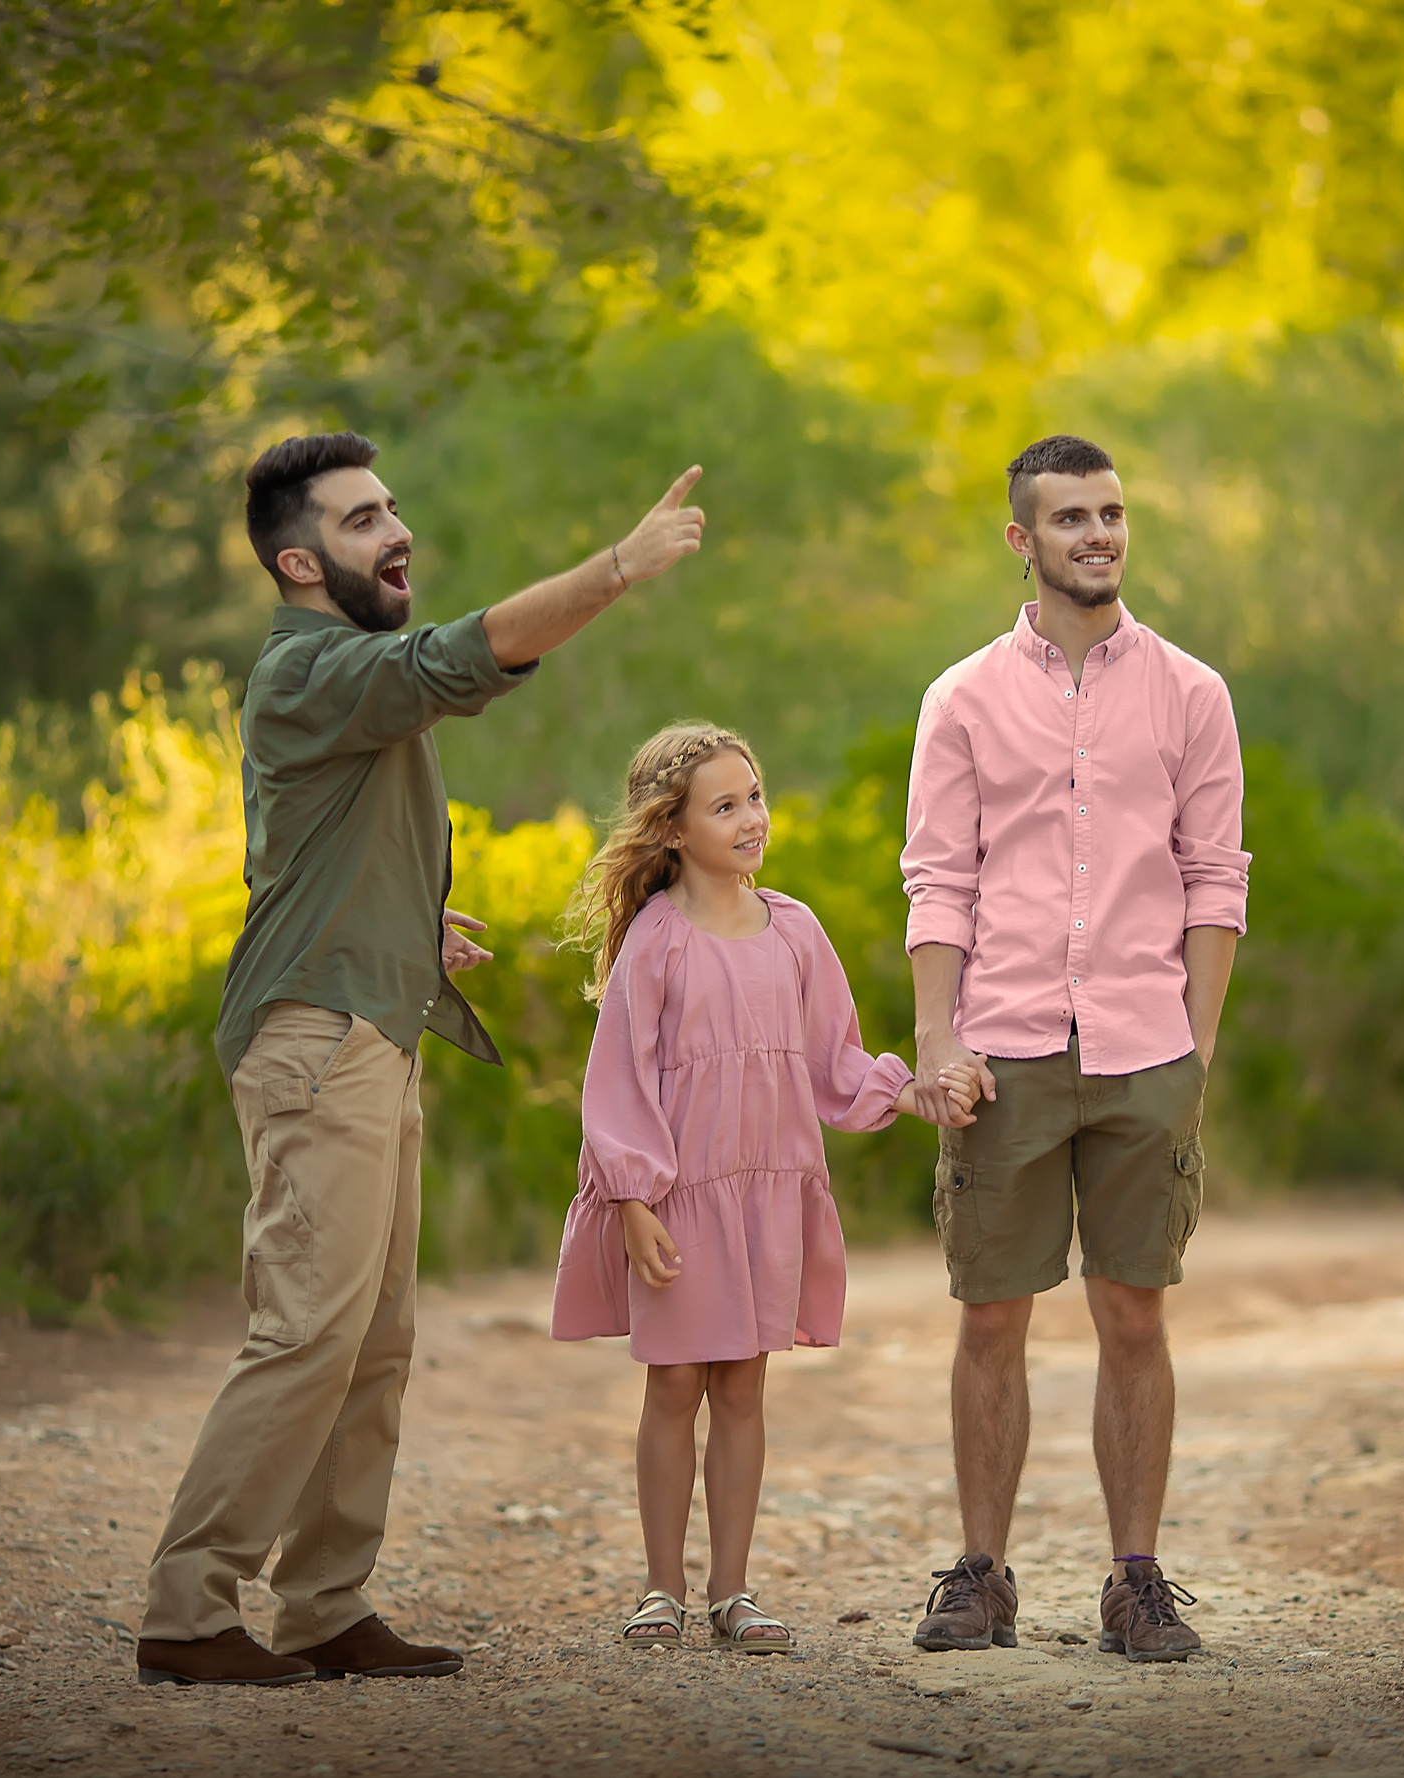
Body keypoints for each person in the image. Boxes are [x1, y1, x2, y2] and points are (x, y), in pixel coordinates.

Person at [136, 432, 707, 1688]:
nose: (394, 530)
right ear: (298, 559)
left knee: (373, 1340)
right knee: (304, 1332)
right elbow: (461, 659)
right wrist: (618, 565)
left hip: (371, 1027)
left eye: (391, 508)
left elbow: (291, 846)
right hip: (316, 1041)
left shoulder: (336, 679)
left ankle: (326, 1599)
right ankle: (188, 1608)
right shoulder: (310, 669)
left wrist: (406, 916)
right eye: (358, 521)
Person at [900, 435, 1249, 1663]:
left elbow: (1216, 880)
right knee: (992, 1316)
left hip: (1149, 1049)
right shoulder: (963, 698)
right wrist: (939, 1043)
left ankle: (1134, 1579)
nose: (1097, 534)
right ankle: (981, 1573)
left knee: (1134, 1316)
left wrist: (1194, 1048)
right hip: (1002, 1050)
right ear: (1022, 539)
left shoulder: (1194, 693)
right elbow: (939, 883)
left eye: (1110, 513)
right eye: (1069, 518)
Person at [549, 723, 982, 1652]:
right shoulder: (657, 942)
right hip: (679, 1199)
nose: (753, 819)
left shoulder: (795, 930)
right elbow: (619, 1077)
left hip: (767, 1196)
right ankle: (659, 1591)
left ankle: (731, 1593)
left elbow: (833, 1060)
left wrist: (909, 1094)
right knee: (675, 1387)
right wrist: (630, 1198)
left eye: (755, 797)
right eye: (726, 805)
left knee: (743, 1387)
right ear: (672, 829)